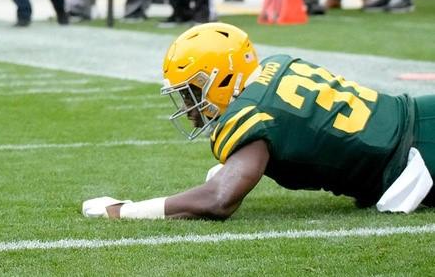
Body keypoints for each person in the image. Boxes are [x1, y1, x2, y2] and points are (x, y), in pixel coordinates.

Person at [83, 22, 435, 220]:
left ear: (221, 79)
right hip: (420, 114)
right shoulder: (276, 67)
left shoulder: (252, 115)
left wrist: (123, 211)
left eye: (191, 92)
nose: (189, 108)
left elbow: (219, 200)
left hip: (418, 154)